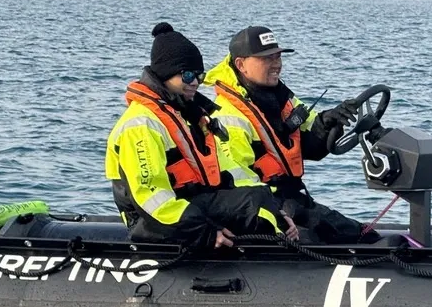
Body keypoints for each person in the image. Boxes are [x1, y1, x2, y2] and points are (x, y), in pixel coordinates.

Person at [105, 23, 297, 248]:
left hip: (191, 207)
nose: (195, 82)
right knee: (250, 204)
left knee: (259, 197)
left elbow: (227, 171)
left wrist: (274, 207)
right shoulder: (140, 126)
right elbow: (151, 198)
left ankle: (283, 243)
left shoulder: (188, 116)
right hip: (152, 223)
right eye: (187, 75)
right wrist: (205, 231)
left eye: (198, 75)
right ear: (166, 75)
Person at [203, 26, 376, 244]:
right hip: (266, 209)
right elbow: (239, 185)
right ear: (241, 65)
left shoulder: (282, 98)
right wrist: (281, 213)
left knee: (365, 236)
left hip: (293, 200)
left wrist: (329, 121)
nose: (277, 64)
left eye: (277, 57)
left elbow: (311, 144)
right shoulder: (228, 116)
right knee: (317, 244)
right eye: (267, 58)